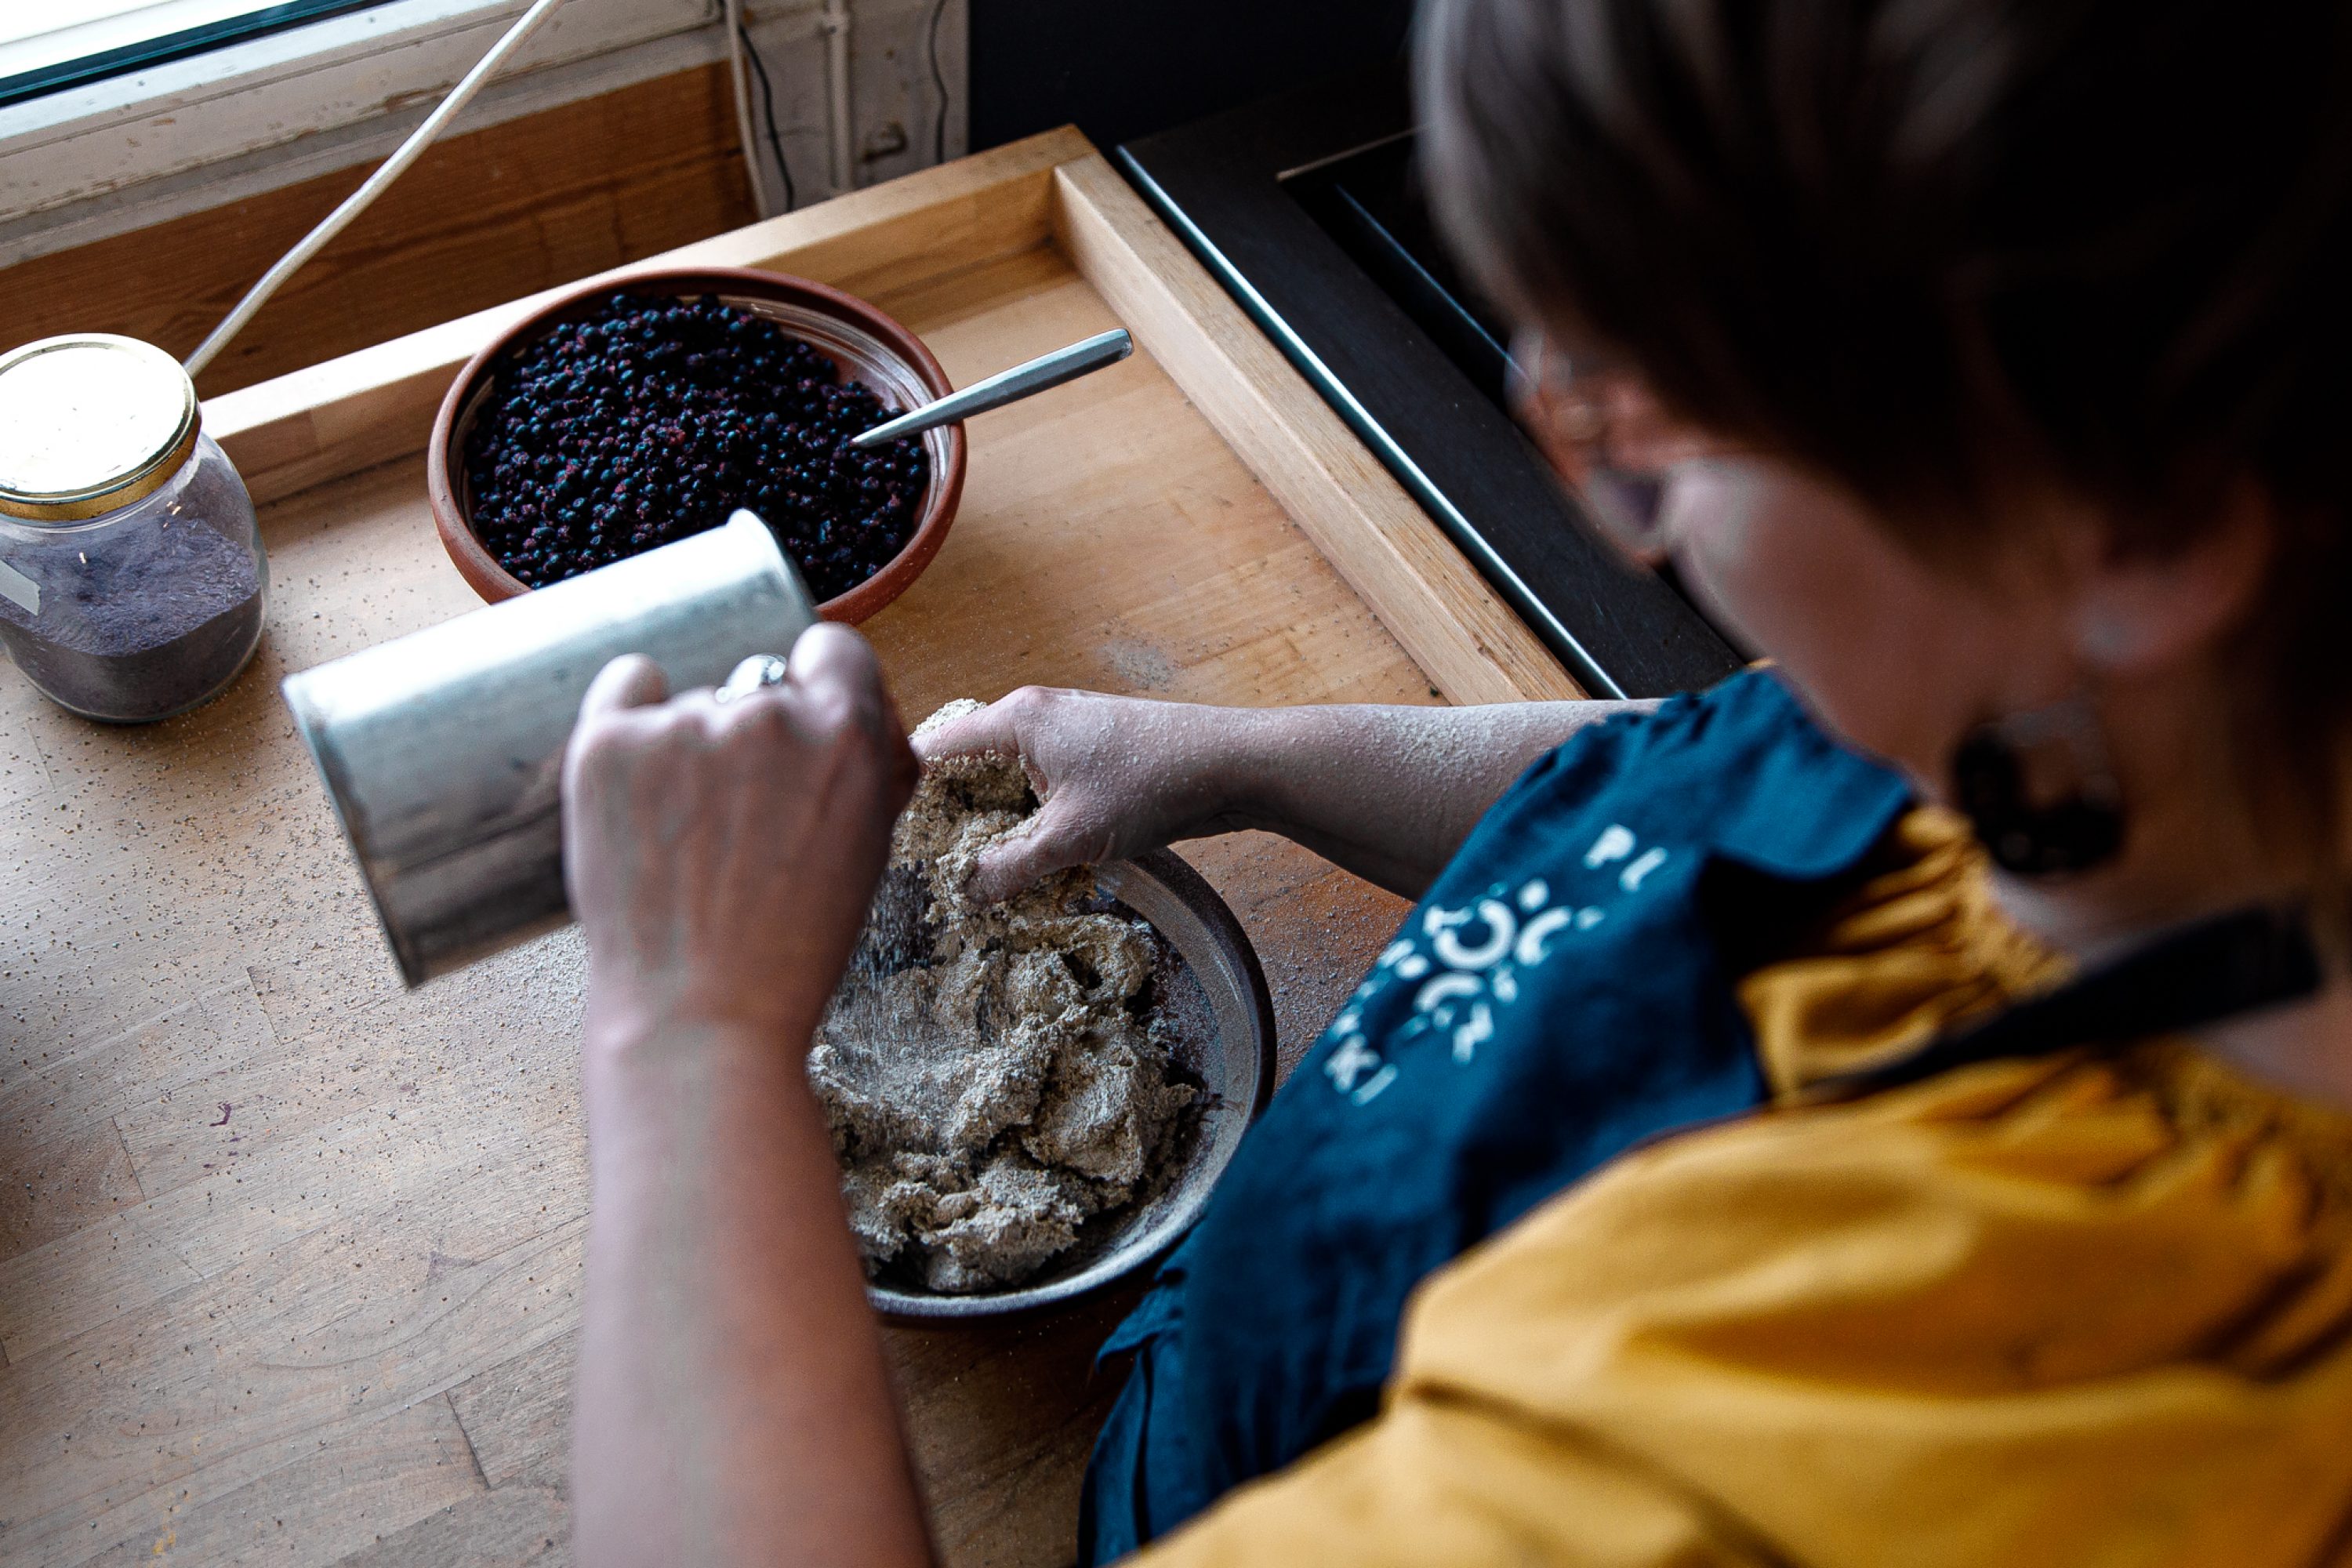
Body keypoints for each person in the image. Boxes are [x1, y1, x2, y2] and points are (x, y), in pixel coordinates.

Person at [560, 0, 2352, 1563]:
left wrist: (689, 1035)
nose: (1631, 531)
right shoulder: (2124, 715)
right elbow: (1698, 778)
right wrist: (1241, 758)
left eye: (1653, 430)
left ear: (2137, 529)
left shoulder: (1897, 1418)